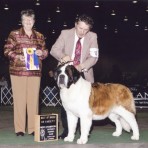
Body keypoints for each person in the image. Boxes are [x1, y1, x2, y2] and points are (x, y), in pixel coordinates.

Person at [50, 14, 99, 139]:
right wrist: (62, 56)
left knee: (87, 107)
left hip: (84, 72)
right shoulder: (65, 33)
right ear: (76, 24)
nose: (82, 32)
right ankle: (67, 131)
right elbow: (54, 49)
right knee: (67, 104)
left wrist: (81, 66)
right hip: (66, 74)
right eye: (80, 28)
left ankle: (85, 133)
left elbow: (94, 57)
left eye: (86, 29)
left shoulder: (93, 36)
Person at [4, 9, 48, 136]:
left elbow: (45, 50)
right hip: (18, 71)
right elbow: (7, 51)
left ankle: (33, 128)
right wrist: (18, 57)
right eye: (25, 19)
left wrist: (42, 53)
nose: (28, 21)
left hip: (34, 72)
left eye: (30, 19)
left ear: (34, 21)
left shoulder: (39, 36)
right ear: (22, 21)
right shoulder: (14, 34)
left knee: (34, 100)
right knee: (19, 100)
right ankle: (19, 129)